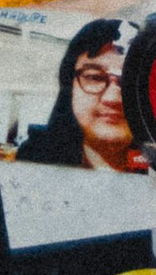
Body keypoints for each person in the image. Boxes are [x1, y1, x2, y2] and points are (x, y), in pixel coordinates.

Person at [16, 17, 143, 171]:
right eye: (94, 77)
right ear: (69, 88)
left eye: (129, 81)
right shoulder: (35, 156)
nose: (113, 98)